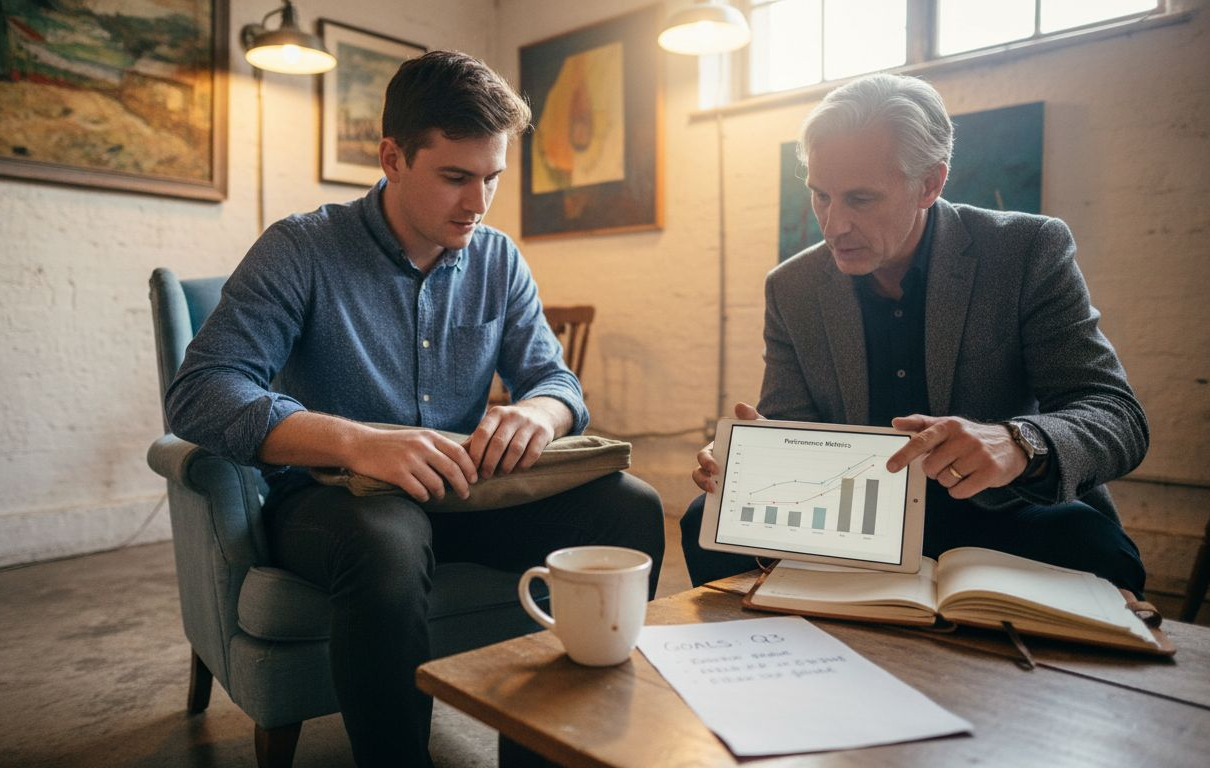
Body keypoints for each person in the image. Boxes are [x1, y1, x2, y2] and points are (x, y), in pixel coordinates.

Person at [166, 51, 664, 767]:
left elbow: (556, 383)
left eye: (491, 177)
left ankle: (550, 750)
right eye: (456, 177)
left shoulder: (498, 259)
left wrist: (541, 414)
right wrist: (356, 442)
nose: (479, 202)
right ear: (392, 158)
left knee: (631, 507)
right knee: (387, 540)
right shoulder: (302, 248)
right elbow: (202, 391)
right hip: (333, 504)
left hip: (462, 494)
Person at [681, 73, 1147, 596]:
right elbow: (793, 425)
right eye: (821, 196)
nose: (833, 225)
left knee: (1096, 551)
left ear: (929, 184)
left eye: (859, 199)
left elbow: (1117, 416)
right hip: (850, 519)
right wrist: (751, 462)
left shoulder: (1025, 250)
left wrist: (1019, 442)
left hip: (1004, 510)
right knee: (705, 522)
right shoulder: (792, 287)